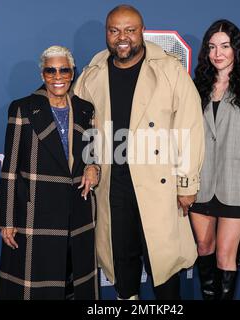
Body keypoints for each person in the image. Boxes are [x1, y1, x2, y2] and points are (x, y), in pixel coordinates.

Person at [74, 5, 204, 300]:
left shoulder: (168, 70)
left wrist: (186, 184)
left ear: (142, 31)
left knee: (164, 266)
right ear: (106, 33)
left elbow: (190, 128)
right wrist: (90, 163)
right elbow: (83, 129)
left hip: (159, 184)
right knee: (123, 264)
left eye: (130, 30)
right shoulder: (92, 75)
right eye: (114, 30)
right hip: (113, 185)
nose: (122, 37)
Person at [0, 45, 99, 300]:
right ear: (42, 74)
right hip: (36, 214)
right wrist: (7, 219)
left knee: (75, 285)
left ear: (72, 72)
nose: (58, 76)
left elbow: (92, 153)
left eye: (64, 69)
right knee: (38, 287)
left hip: (78, 211)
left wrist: (94, 167)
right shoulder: (23, 109)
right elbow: (10, 169)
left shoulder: (86, 109)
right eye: (50, 70)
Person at [190, 19, 240, 300]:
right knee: (203, 248)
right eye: (212, 47)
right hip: (201, 181)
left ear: (236, 49)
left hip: (236, 184)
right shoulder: (198, 85)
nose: (217, 53)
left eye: (224, 46)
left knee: (226, 256)